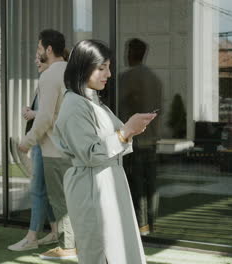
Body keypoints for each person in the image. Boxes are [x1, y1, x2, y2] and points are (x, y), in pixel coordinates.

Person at [53, 39, 157, 264]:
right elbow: (89, 154)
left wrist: (131, 129)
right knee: (100, 251)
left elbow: (119, 137)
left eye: (108, 68)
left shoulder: (94, 102)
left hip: (107, 183)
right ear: (83, 67)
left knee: (117, 248)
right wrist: (126, 131)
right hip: (92, 187)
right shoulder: (74, 105)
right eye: (102, 68)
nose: (108, 74)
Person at [18, 29, 77, 259]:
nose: (38, 53)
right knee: (71, 199)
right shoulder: (73, 72)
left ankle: (68, 247)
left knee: (61, 202)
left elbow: (45, 117)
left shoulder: (50, 75)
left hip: (55, 149)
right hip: (73, 147)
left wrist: (27, 141)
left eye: (39, 49)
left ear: (49, 50)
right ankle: (72, 244)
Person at [7, 52, 59, 251]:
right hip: (41, 143)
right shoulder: (45, 81)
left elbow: (51, 115)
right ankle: (54, 232)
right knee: (43, 190)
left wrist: (32, 114)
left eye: (39, 57)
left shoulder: (51, 80)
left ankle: (31, 238)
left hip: (42, 143)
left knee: (37, 190)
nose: (36, 60)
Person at [119, 38, 162, 234]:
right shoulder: (155, 79)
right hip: (152, 140)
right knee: (150, 185)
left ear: (132, 53)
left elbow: (119, 106)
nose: (125, 54)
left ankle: (140, 227)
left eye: (128, 50)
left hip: (134, 141)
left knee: (136, 186)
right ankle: (151, 225)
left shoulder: (127, 78)